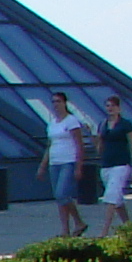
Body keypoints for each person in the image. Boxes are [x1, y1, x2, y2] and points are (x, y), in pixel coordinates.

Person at [38, 91, 91, 237]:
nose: (55, 105)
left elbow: (79, 144)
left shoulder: (71, 121)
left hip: (68, 161)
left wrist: (79, 166)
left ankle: (79, 221)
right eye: (53, 102)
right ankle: (65, 229)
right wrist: (42, 166)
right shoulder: (52, 123)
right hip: (54, 163)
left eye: (58, 102)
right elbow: (50, 146)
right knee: (58, 197)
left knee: (62, 194)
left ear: (65, 103)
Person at [96, 94, 132, 237]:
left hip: (121, 164)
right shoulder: (103, 124)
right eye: (108, 106)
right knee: (117, 199)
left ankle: (104, 231)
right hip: (107, 164)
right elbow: (99, 148)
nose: (110, 109)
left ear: (119, 108)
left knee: (110, 196)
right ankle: (129, 225)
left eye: (113, 106)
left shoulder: (126, 124)